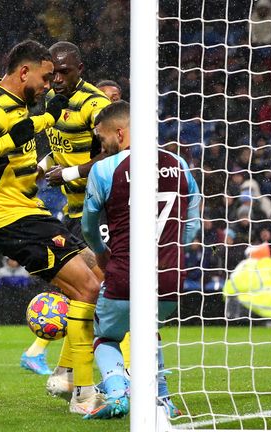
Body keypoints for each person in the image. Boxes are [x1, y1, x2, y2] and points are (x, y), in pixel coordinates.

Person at [0, 39, 104, 415]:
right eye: (45, 77)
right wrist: (7, 141)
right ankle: (83, 393)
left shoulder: (19, 106)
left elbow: (18, 149)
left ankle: (67, 374)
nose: (49, 85)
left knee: (97, 273)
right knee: (88, 286)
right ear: (23, 72)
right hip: (12, 220)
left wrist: (34, 156)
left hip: (29, 213)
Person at [80, 101, 201, 419]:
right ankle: (163, 400)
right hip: (171, 276)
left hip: (125, 273)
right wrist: (172, 251)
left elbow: (88, 227)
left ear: (120, 132)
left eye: (103, 137)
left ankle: (118, 392)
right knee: (150, 331)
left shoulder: (105, 169)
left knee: (107, 336)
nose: (101, 145)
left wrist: (101, 255)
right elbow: (192, 224)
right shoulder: (179, 165)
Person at [21, 41, 110, 380]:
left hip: (99, 206)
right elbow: (60, 150)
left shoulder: (95, 104)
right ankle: (67, 372)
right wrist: (40, 168)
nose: (56, 79)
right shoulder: (52, 102)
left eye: (64, 72)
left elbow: (113, 154)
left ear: (80, 69)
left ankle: (70, 373)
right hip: (73, 210)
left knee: (98, 288)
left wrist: (70, 173)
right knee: (84, 291)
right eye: (53, 72)